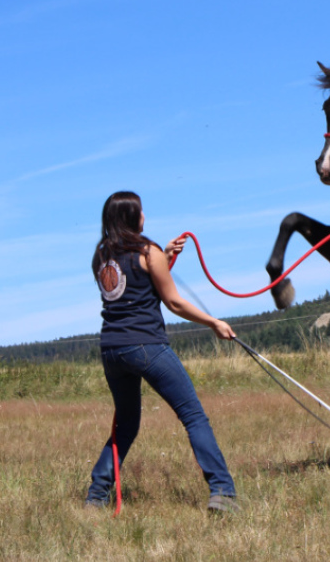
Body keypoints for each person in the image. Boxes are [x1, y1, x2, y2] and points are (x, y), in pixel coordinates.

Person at [84, 191, 240, 513]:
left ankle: (96, 497)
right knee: (193, 415)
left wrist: (165, 256)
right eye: (140, 211)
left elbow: (135, 286)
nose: (144, 216)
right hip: (147, 346)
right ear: (132, 217)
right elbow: (172, 301)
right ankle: (222, 492)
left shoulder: (100, 258)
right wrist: (214, 322)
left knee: (125, 425)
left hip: (112, 351)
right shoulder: (147, 250)